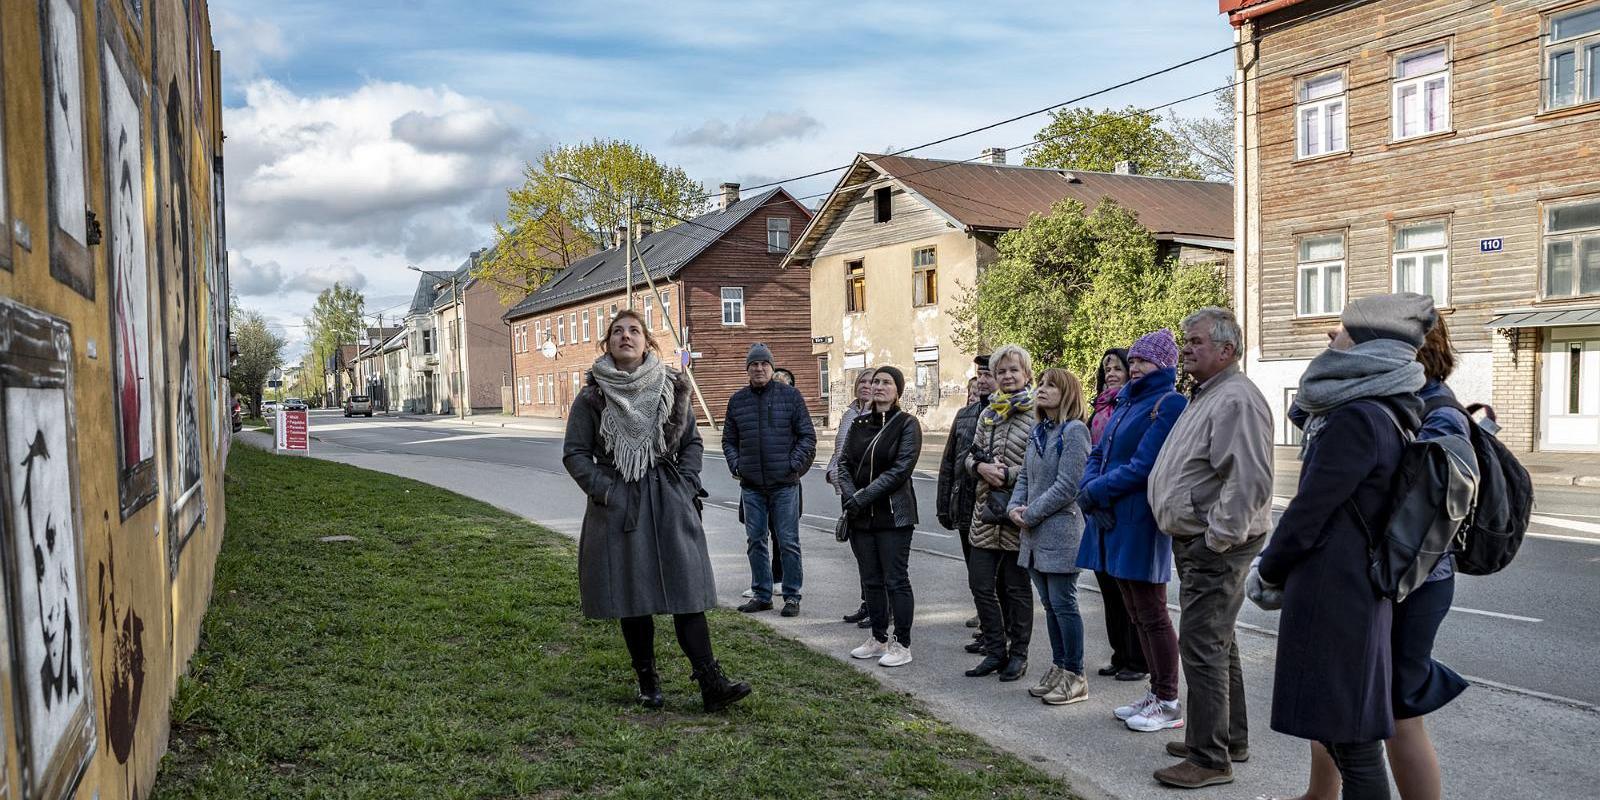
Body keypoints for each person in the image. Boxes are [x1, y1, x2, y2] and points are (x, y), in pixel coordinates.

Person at [1253, 293, 1439, 800]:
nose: (1330, 338)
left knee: (1350, 741)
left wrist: (1268, 570)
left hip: (1335, 595)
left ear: (1366, 345)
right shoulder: (1390, 408)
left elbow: (1310, 510)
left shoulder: (1359, 417)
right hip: (1351, 590)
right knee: (1346, 734)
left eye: (1340, 331)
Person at [1282, 313, 1471, 800]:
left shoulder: (1434, 409)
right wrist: (1338, 364)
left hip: (1411, 576)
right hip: (1379, 570)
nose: (1335, 336)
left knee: (1396, 710)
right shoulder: (1377, 398)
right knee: (1343, 696)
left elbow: (1420, 503)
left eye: (1356, 334)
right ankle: (1320, 793)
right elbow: (1305, 412)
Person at [562, 310, 751, 712]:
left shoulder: (673, 387)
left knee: (687, 591)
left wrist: (684, 483)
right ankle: (648, 681)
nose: (626, 336)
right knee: (632, 595)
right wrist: (606, 490)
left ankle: (710, 682)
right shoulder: (592, 396)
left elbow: (693, 443)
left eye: (634, 330)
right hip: (619, 504)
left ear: (647, 341)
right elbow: (575, 454)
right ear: (607, 344)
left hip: (668, 498)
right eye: (617, 332)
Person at [1146, 308, 1275, 789]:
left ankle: (1208, 757)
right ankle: (1226, 738)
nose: (1185, 349)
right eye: (1185, 341)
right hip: (1203, 539)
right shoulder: (1211, 394)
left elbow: (1249, 481)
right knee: (1217, 641)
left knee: (1202, 644)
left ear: (1227, 349)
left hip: (1216, 544)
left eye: (1195, 341)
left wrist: (1216, 538)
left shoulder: (1235, 399)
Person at [1076, 329, 1188, 734]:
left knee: (1153, 612)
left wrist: (1094, 493)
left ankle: (1169, 699)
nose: (1135, 366)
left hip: (1139, 520)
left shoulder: (1168, 403)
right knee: (1135, 612)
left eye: (1143, 361)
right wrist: (1090, 490)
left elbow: (1145, 466)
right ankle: (1155, 693)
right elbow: (1099, 452)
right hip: (1109, 517)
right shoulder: (1125, 402)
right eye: (1134, 360)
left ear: (1164, 365)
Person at [1008, 368, 1093, 705]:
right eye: (1040, 384)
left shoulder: (1074, 432)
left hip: (1059, 531)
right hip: (1032, 532)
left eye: (1049, 385)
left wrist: (1030, 513)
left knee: (1064, 604)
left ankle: (1076, 675)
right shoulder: (1039, 431)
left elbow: (1068, 486)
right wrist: (1015, 506)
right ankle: (1059, 667)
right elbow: (1025, 478)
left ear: (1067, 392)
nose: (1040, 390)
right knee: (1050, 605)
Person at [723, 343, 817, 617]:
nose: (759, 368)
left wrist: (794, 466)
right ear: (747, 370)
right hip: (751, 486)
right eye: (754, 364)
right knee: (755, 540)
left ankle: (791, 596)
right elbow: (729, 440)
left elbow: (807, 437)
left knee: (788, 541)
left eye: (764, 364)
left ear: (772, 367)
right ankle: (762, 594)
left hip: (784, 484)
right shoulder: (738, 401)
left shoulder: (791, 397)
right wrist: (736, 464)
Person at [838, 367, 923, 668]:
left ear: (897, 390)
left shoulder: (907, 424)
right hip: (861, 516)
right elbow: (843, 463)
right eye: (875, 382)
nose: (879, 387)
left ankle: (902, 642)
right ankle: (878, 637)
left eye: (887, 382)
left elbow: (900, 470)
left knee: (895, 580)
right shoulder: (859, 423)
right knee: (870, 579)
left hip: (893, 516)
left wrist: (861, 497)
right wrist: (850, 495)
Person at [964, 344, 1036, 682]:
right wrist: (979, 466)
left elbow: (1043, 469)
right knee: (981, 585)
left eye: (1013, 371)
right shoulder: (987, 413)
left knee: (1016, 590)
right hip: (985, 511)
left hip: (1018, 515)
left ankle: (1018, 654)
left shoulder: (1038, 413)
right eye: (1001, 371)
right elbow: (969, 456)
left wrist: (1007, 474)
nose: (1007, 376)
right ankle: (995, 650)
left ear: (1027, 375)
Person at [1087, 348, 1147, 682]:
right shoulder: (1097, 409)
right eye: (1106, 368)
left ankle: (1138, 659)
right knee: (1107, 588)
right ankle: (1119, 653)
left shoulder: (1132, 407)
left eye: (1117, 367)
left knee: (1129, 591)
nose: (1111, 372)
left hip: (1121, 503)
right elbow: (1092, 455)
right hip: (1096, 505)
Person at [939, 356, 997, 638]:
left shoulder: (1006, 412)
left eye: (989, 374)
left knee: (994, 578)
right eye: (980, 374)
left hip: (993, 508)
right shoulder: (965, 415)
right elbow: (949, 461)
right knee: (975, 576)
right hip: (964, 504)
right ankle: (988, 628)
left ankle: (997, 632)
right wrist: (943, 505)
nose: (983, 380)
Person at [831, 370, 880, 627]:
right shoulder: (849, 414)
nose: (866, 386)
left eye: (872, 382)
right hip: (848, 492)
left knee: (874, 556)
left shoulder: (879, 417)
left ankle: (880, 608)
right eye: (862, 381)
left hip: (867, 493)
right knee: (861, 554)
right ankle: (867, 603)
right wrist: (832, 473)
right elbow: (839, 451)